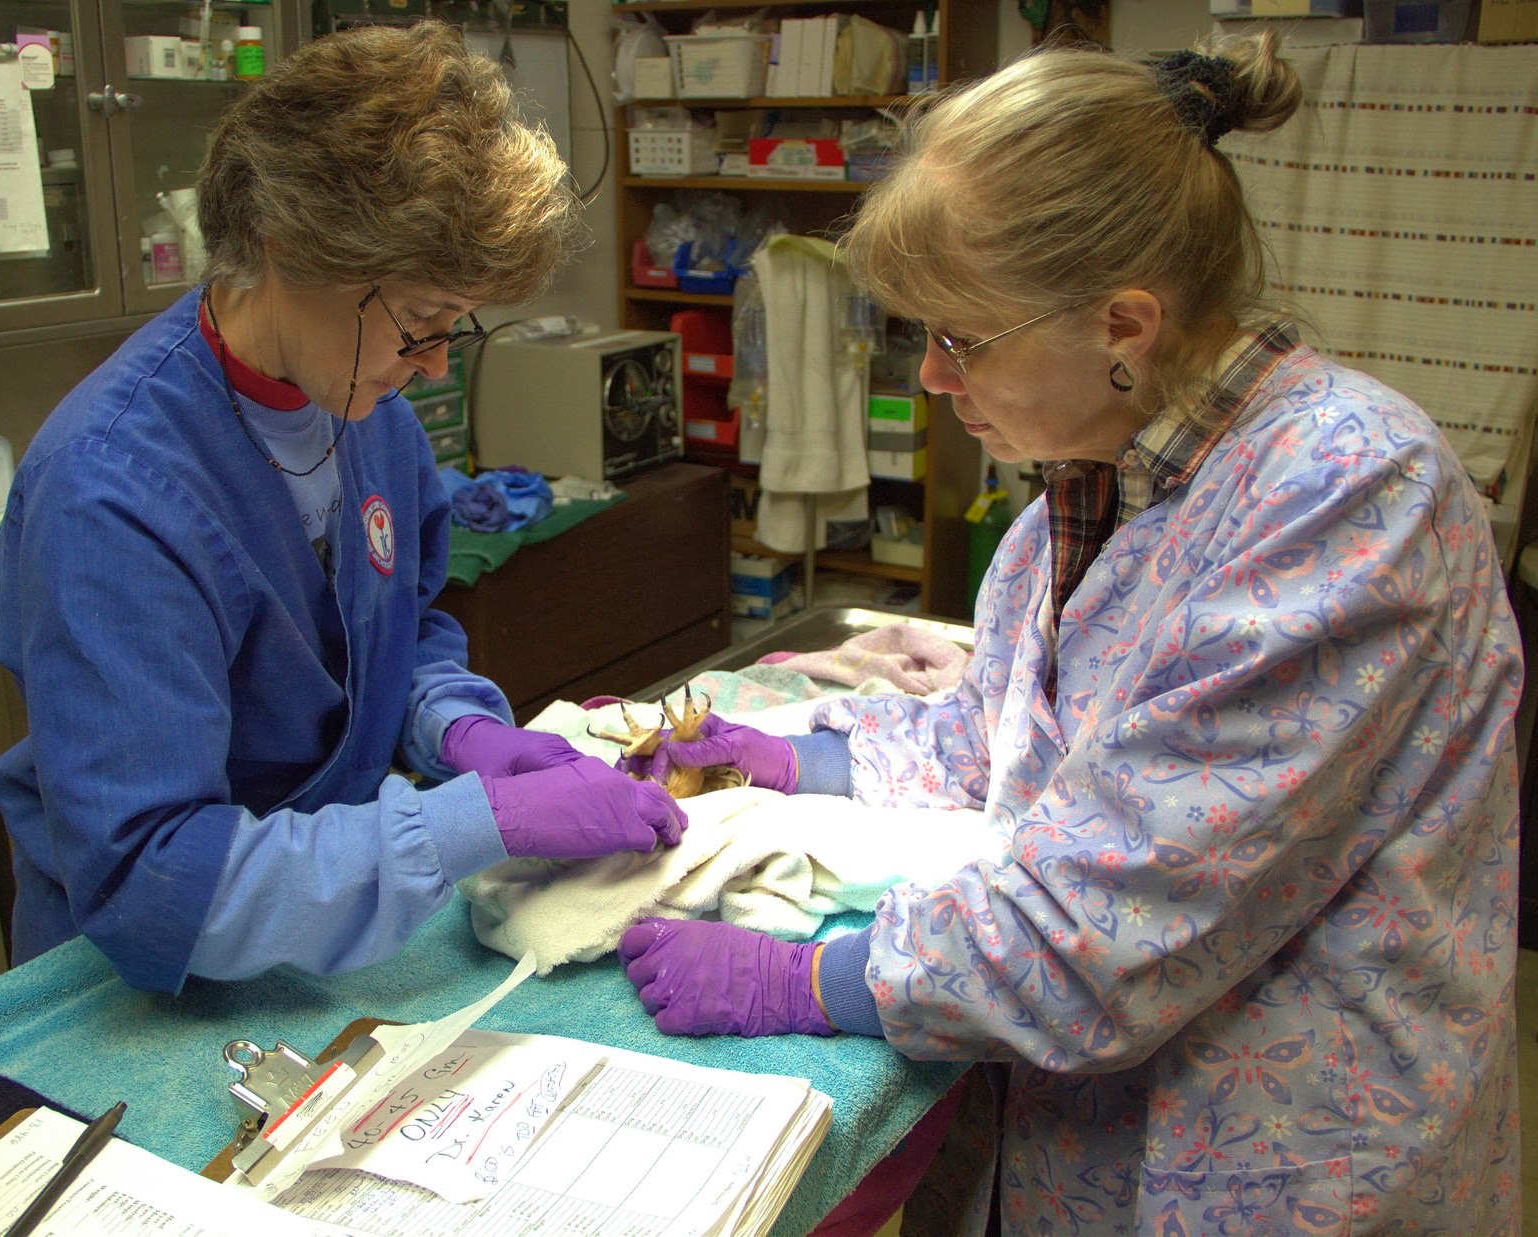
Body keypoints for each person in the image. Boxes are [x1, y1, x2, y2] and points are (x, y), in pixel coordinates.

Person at [618, 32, 1523, 1234]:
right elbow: (1013, 744)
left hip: (1283, 1153)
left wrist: (808, 975)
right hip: (1075, 1124)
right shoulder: (1085, 495)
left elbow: (1114, 919)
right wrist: (787, 751)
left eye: (959, 339)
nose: (933, 380)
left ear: (1124, 326)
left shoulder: (1346, 494)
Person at [0, 22, 686, 996]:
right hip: (137, 981)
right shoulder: (110, 496)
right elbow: (152, 880)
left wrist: (454, 728)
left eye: (454, 329)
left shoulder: (366, 410)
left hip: (321, 923)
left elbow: (397, 633)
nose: (435, 365)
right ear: (289, 250)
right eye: (420, 325)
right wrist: (465, 825)